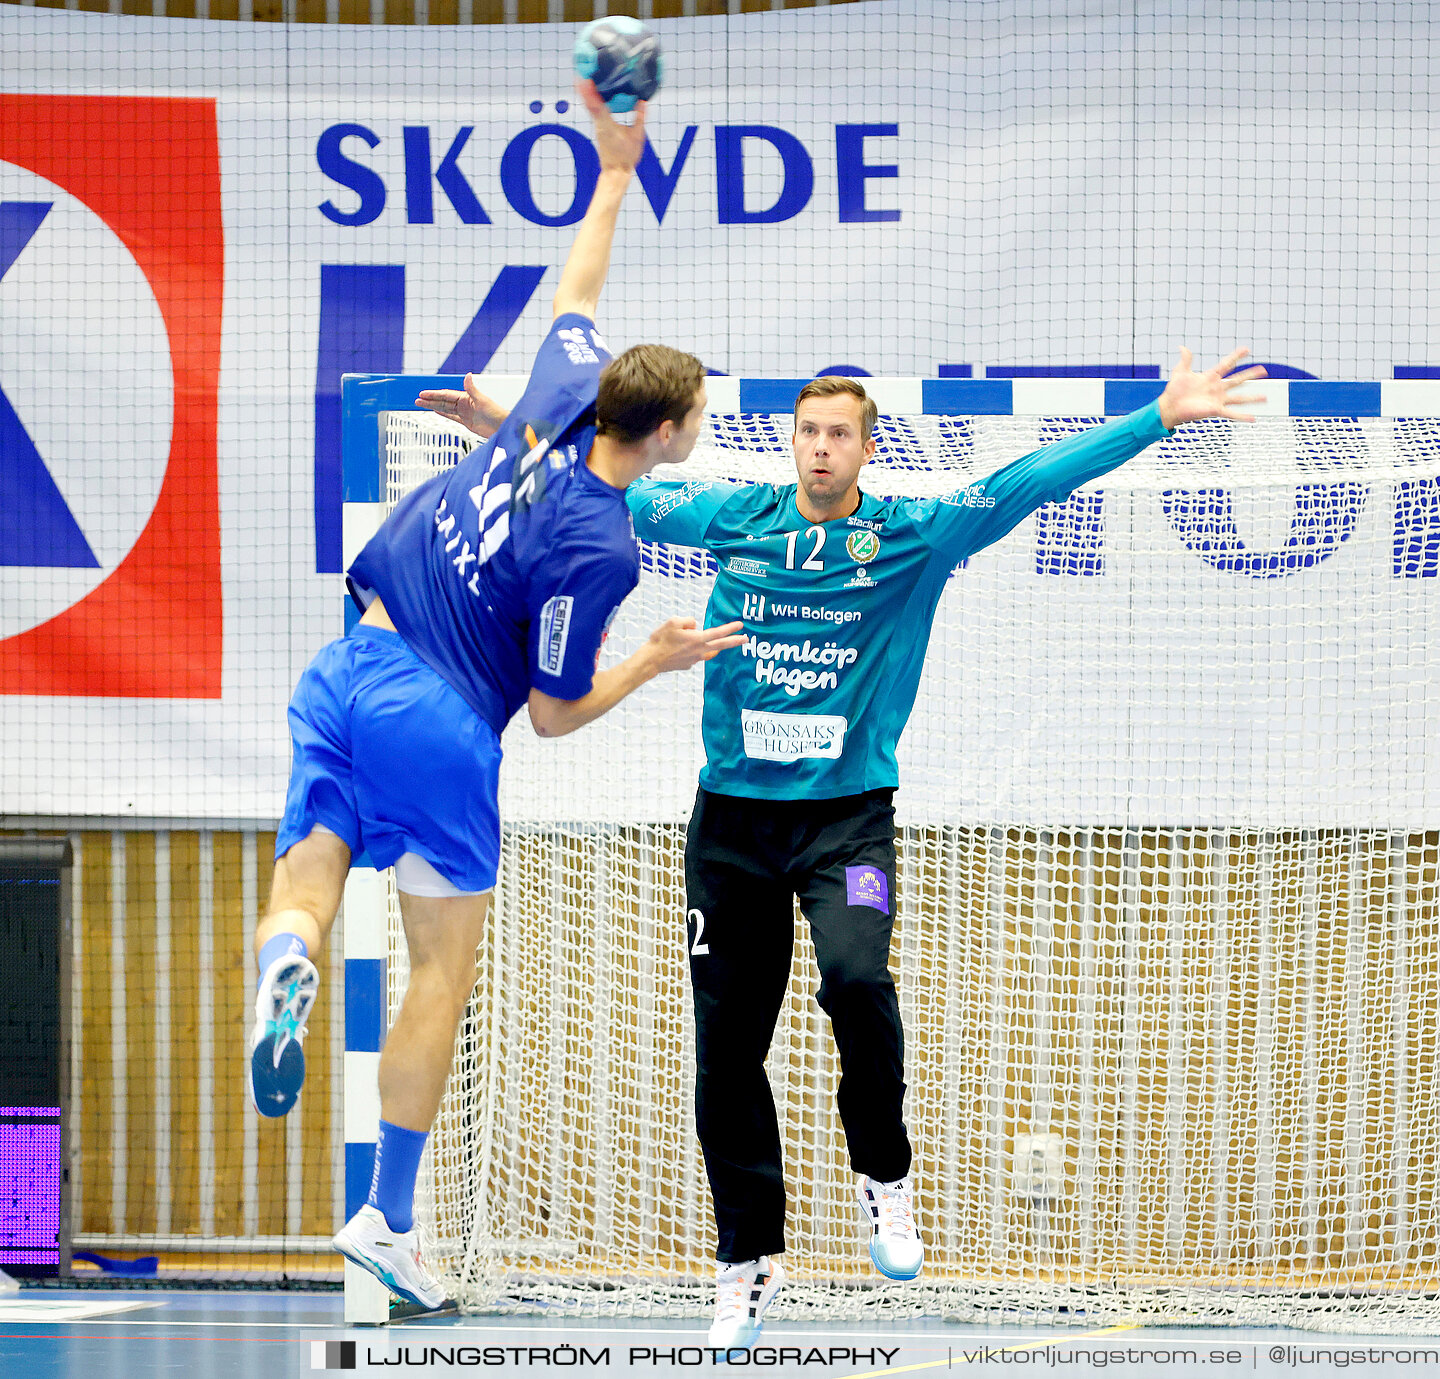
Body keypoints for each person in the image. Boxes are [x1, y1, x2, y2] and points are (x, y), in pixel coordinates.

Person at [419, 349, 1266, 1346]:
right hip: (731, 827)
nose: (822, 449)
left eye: (839, 435)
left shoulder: (912, 536)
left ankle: (884, 1171)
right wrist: (504, 432)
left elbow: (1030, 481)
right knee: (726, 1047)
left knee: (858, 979)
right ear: (793, 443)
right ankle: (746, 1254)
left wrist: (1158, 416)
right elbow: (606, 479)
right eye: (807, 432)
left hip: (847, 821)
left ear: (868, 448)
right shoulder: (736, 517)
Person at [249, 79, 744, 1313]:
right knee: (440, 969)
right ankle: (389, 1217)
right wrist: (656, 660)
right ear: (669, 430)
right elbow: (556, 708)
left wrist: (615, 163)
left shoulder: (556, 393)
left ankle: (283, 963)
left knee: (310, 870)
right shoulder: (604, 547)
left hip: (345, 660)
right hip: (437, 715)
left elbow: (577, 286)